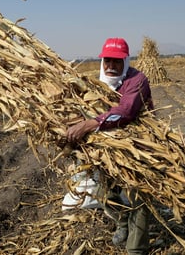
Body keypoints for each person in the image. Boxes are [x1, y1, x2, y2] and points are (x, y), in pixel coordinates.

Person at [66, 37, 153, 255]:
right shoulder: (97, 82)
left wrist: (89, 124)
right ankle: (122, 222)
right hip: (107, 148)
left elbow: (126, 111)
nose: (111, 67)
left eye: (116, 62)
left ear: (125, 61)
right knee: (106, 190)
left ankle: (136, 248)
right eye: (107, 61)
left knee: (139, 194)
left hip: (138, 146)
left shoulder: (137, 80)